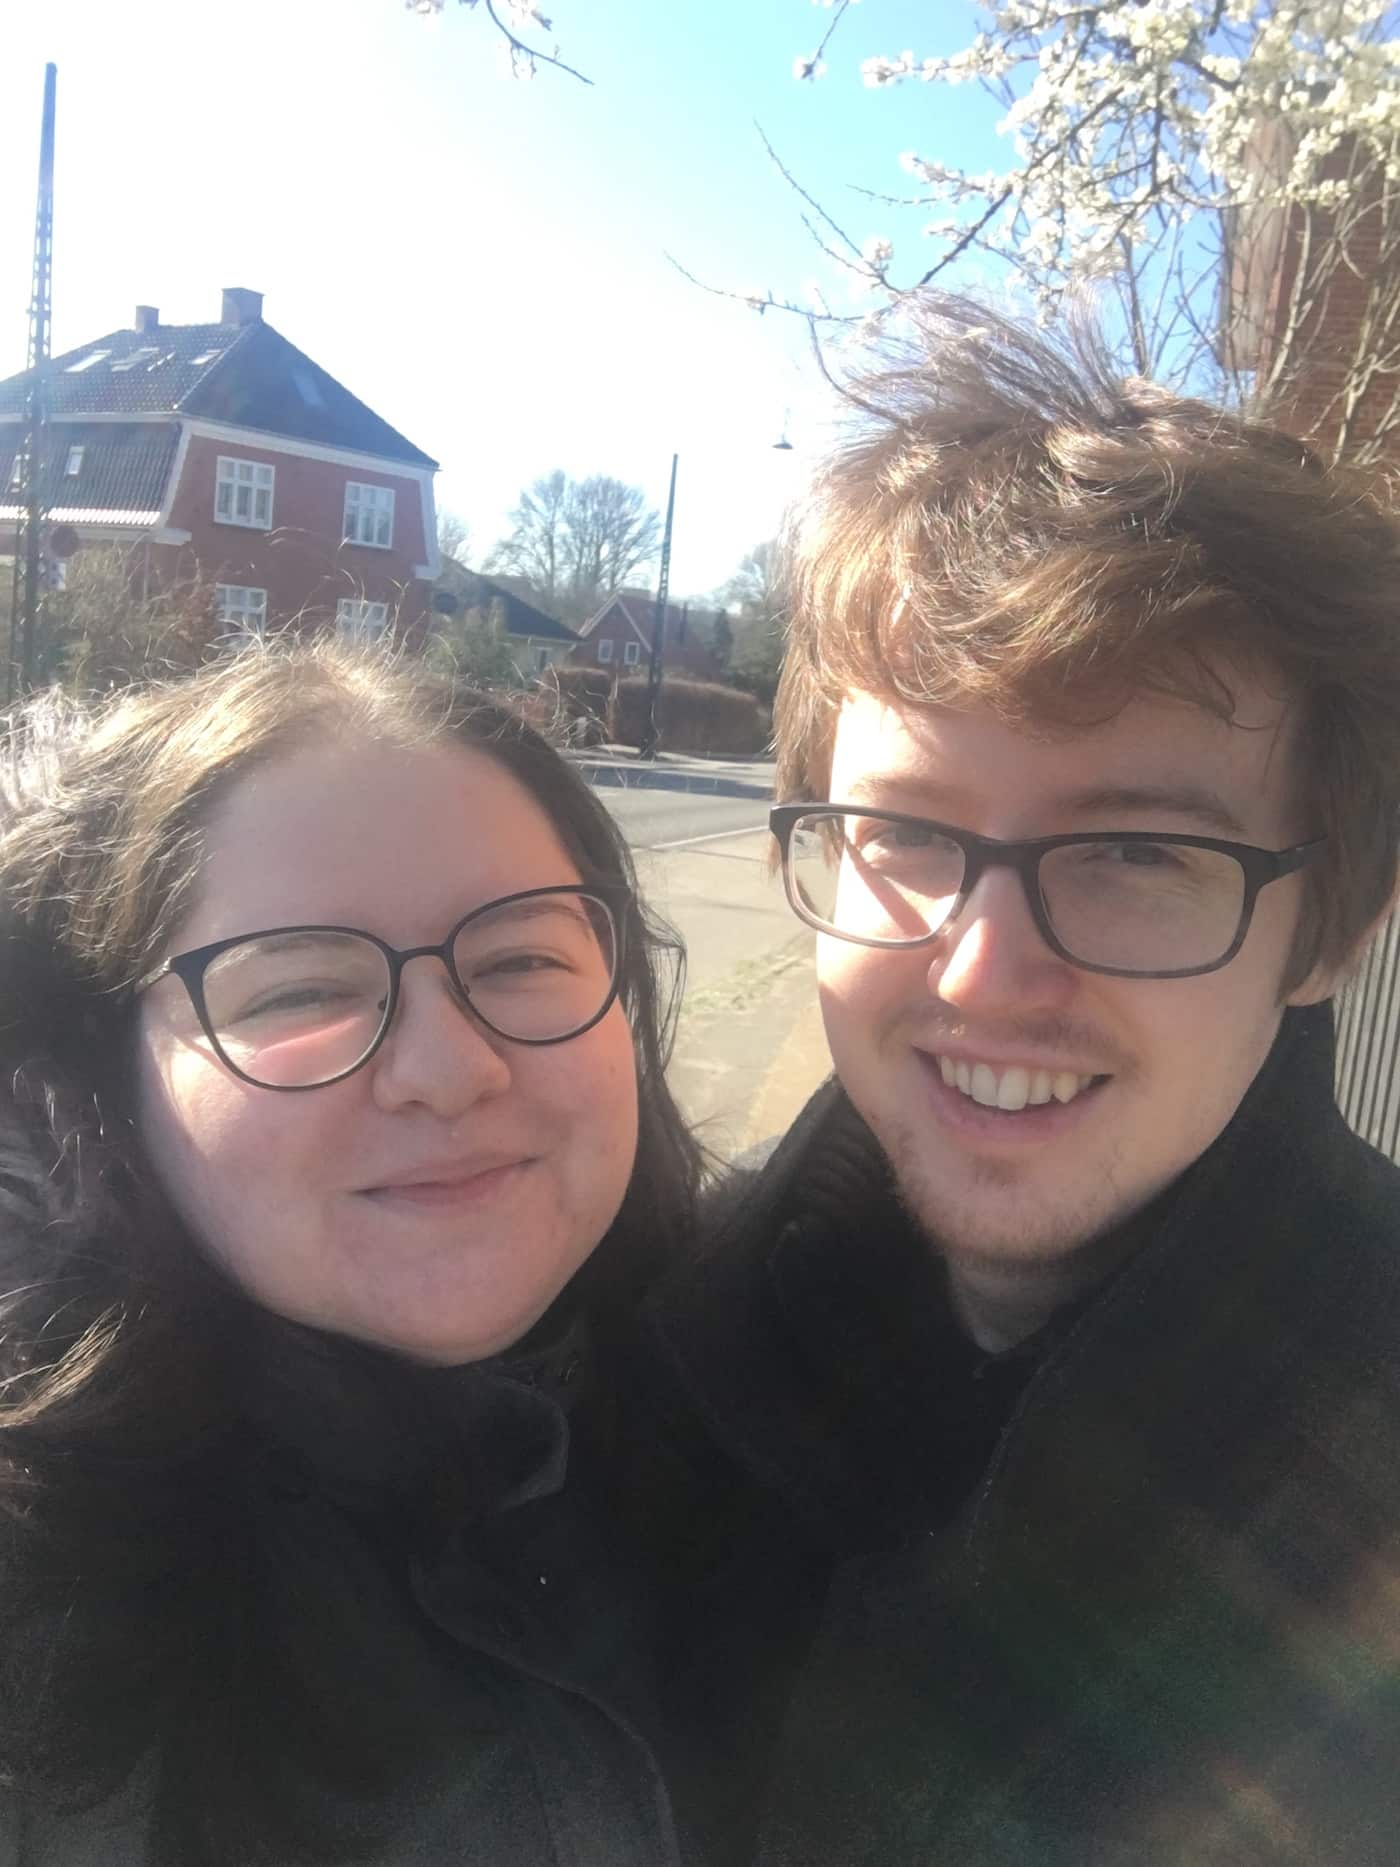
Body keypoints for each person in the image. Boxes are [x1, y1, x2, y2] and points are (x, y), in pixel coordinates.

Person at [644, 299, 1400, 1865]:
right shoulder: (640, 1354)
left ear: (1326, 925)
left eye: (1135, 850)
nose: (983, 971)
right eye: (907, 832)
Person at [0, 639, 703, 1866]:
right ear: (111, 1075)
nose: (447, 1071)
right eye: (295, 993)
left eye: (521, 959)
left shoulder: (765, 1380)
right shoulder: (47, 1579)